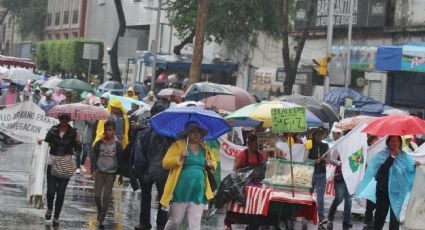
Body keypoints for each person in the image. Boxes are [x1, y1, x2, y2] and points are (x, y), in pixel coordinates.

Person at [161, 121, 217, 230]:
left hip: (199, 189)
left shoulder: (204, 148)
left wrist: (210, 164)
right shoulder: (178, 145)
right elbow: (165, 163)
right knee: (176, 221)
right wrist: (180, 157)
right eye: (193, 131)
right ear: (187, 133)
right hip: (181, 190)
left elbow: (213, 163)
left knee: (195, 224)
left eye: (198, 132)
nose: (196, 134)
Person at [356, 136, 415, 230]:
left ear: (400, 142)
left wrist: (418, 166)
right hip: (383, 191)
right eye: (392, 141)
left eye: (396, 141)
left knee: (395, 218)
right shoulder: (381, 155)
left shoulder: (405, 156)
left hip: (397, 192)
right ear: (388, 142)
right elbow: (382, 170)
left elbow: (411, 170)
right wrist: (392, 157)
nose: (394, 143)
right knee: (380, 217)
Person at [133, 102, 174, 230]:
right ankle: (144, 223)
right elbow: (139, 151)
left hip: (163, 171)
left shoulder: (170, 133)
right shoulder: (145, 132)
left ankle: (161, 224)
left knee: (163, 199)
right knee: (145, 197)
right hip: (147, 170)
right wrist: (139, 170)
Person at [38, 113, 81, 227]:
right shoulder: (53, 130)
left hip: (65, 164)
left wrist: (77, 141)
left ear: (70, 119)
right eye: (62, 118)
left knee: (61, 192)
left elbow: (78, 150)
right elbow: (46, 142)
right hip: (52, 163)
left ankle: (56, 216)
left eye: (66, 118)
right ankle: (50, 208)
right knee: (51, 190)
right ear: (58, 118)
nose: (64, 120)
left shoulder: (74, 132)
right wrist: (41, 141)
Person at [91, 120, 124, 228]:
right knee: (96, 195)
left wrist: (121, 175)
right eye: (106, 130)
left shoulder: (118, 145)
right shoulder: (99, 142)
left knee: (106, 196)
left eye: (110, 130)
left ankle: (102, 217)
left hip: (111, 173)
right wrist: (93, 169)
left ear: (114, 131)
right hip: (100, 172)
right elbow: (93, 154)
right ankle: (100, 211)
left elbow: (121, 159)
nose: (107, 132)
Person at [327, 128, 352, 230]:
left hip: (350, 176)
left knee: (349, 200)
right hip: (340, 176)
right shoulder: (339, 145)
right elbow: (331, 159)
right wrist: (340, 163)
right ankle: (330, 216)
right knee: (339, 198)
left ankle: (347, 222)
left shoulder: (356, 147)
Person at [308, 129, 329, 226]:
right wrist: (314, 161)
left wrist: (325, 159)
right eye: (317, 134)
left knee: (320, 197)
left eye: (321, 134)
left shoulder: (326, 145)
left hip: (322, 174)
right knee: (308, 195)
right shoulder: (309, 144)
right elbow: (304, 159)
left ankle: (321, 217)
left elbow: (329, 160)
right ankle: (306, 215)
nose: (319, 136)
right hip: (310, 173)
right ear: (314, 135)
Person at [363, 135, 380, 230]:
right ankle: (369, 219)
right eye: (375, 140)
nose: (377, 141)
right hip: (370, 178)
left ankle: (368, 216)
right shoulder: (368, 151)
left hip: (379, 178)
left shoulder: (379, 151)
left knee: (378, 200)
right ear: (370, 142)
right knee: (370, 199)